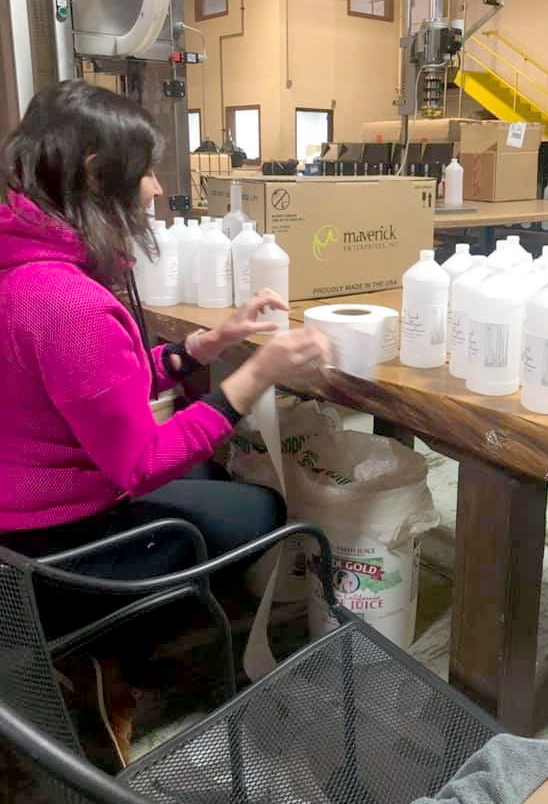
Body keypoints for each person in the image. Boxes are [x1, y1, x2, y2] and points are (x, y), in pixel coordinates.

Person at [0, 80, 332, 765]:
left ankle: (103, 638)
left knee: (207, 474)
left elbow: (94, 390)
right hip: (57, 561)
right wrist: (255, 375)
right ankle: (107, 647)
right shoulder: (67, 303)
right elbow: (140, 463)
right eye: (146, 169)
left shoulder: (23, 268)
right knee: (261, 508)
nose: (155, 188)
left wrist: (204, 347)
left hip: (19, 531)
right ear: (98, 173)